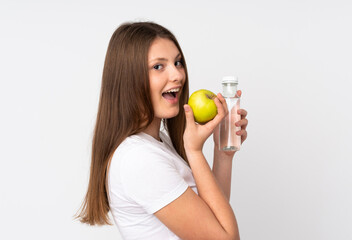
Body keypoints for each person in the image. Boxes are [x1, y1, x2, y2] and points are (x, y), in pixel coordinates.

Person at [76, 21, 248, 240]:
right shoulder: (139, 159)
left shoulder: (157, 143)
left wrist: (223, 153)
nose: (177, 75)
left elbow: (214, 216)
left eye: (178, 62)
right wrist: (194, 152)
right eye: (158, 66)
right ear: (129, 79)